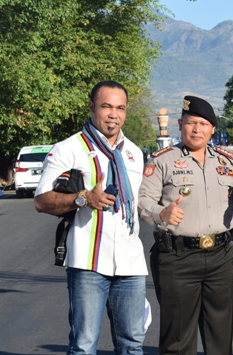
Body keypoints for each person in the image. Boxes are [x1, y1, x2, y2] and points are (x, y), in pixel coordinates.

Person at [34, 80, 147, 354]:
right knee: (84, 345)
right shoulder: (68, 149)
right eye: (106, 106)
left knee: (132, 344)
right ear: (92, 107)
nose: (113, 114)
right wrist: (83, 198)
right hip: (88, 262)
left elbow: (137, 205)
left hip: (131, 264)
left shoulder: (133, 153)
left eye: (120, 108)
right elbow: (41, 201)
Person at [138, 95, 233, 355]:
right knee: (177, 341)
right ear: (180, 124)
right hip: (177, 258)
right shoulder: (162, 161)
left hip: (222, 257)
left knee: (221, 342)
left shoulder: (227, 162)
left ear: (212, 128)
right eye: (191, 123)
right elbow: (142, 202)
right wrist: (162, 213)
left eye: (203, 124)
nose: (197, 129)